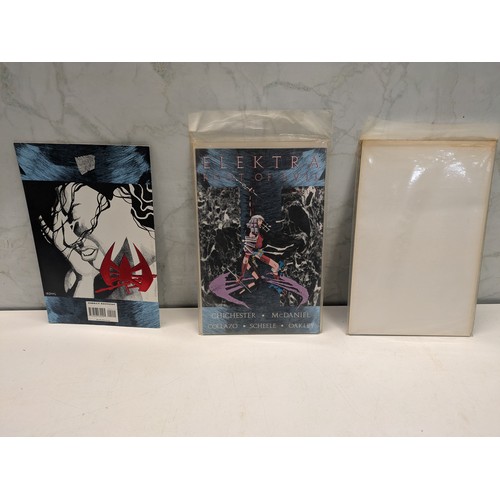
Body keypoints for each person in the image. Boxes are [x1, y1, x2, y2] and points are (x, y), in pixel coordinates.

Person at [39, 182, 157, 300]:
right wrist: (85, 278)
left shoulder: (159, 265)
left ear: (122, 199)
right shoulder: (75, 279)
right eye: (65, 227)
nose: (70, 241)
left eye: (76, 221)